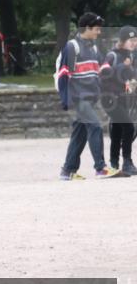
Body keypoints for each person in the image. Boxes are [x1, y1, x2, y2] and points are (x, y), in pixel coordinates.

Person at [56, 13, 120, 179]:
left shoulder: (93, 48)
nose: (99, 32)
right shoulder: (72, 47)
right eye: (97, 29)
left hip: (90, 98)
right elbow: (64, 74)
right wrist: (66, 99)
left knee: (80, 133)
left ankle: (67, 171)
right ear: (87, 28)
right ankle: (101, 168)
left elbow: (101, 69)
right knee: (95, 126)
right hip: (79, 98)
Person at [101, 25, 137, 175]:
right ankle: (127, 162)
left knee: (117, 129)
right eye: (131, 40)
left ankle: (114, 163)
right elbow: (103, 71)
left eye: (136, 40)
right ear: (122, 41)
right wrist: (123, 66)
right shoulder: (112, 55)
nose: (134, 43)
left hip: (123, 98)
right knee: (128, 127)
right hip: (110, 98)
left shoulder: (132, 56)